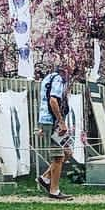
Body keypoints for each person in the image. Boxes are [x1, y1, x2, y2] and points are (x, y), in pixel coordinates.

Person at [36, 67, 73, 200]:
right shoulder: (58, 79)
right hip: (54, 122)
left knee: (68, 152)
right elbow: (52, 100)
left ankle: (45, 178)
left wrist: (43, 126)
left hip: (48, 122)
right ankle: (54, 190)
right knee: (58, 156)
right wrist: (61, 121)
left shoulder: (48, 78)